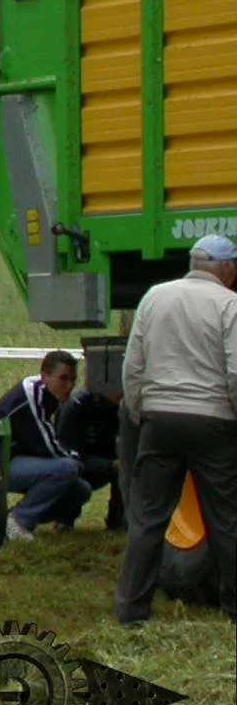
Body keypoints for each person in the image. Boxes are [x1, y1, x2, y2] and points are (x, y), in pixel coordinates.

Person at [114, 234, 237, 624]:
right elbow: (235, 372)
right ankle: (234, 608)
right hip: (213, 422)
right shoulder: (229, 304)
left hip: (160, 419)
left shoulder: (155, 297)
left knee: (147, 519)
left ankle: (132, 611)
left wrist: (140, 412)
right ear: (227, 268)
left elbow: (133, 365)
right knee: (225, 520)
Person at [0, 351, 89, 542]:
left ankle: (8, 519)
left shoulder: (48, 395)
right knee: (68, 468)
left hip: (17, 458)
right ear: (44, 377)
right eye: (63, 379)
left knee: (81, 490)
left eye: (73, 380)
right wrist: (77, 459)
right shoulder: (32, 394)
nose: (69, 386)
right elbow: (49, 446)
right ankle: (18, 521)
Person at [57, 375, 126, 531]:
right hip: (77, 462)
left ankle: (119, 521)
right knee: (69, 471)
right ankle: (65, 519)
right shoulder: (77, 405)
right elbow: (65, 453)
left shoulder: (126, 408)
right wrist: (110, 465)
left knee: (127, 468)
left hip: (109, 461)